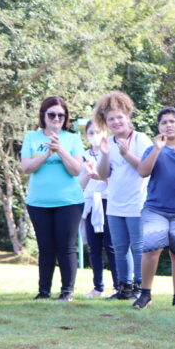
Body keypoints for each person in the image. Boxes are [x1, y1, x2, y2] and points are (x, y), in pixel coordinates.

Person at [133, 107, 175, 309]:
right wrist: (157, 148)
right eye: (164, 122)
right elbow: (143, 172)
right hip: (156, 209)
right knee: (151, 248)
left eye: (172, 121)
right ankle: (145, 294)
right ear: (159, 127)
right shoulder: (153, 148)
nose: (168, 125)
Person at [21, 96, 85, 301]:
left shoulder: (72, 139)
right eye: (52, 114)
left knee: (66, 247)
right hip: (39, 202)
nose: (56, 118)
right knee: (45, 247)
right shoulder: (32, 137)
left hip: (69, 202)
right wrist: (47, 154)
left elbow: (76, 170)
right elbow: (26, 167)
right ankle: (44, 291)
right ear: (44, 116)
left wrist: (61, 150)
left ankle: (67, 291)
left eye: (61, 115)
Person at [93, 91, 153, 300]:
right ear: (106, 122)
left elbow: (147, 168)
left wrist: (126, 153)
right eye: (111, 119)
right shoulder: (107, 143)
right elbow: (103, 175)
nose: (116, 122)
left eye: (120, 117)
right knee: (119, 248)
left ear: (128, 116)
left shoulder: (141, 139)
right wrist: (106, 155)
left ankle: (139, 287)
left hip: (138, 202)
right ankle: (123, 287)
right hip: (115, 202)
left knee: (138, 247)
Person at [79, 120, 118, 297]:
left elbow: (117, 180)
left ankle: (119, 285)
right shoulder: (83, 156)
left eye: (98, 132)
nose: (95, 136)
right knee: (94, 247)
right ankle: (98, 286)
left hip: (109, 202)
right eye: (91, 132)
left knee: (111, 245)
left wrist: (100, 177)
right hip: (90, 204)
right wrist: (89, 174)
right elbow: (79, 185)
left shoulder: (111, 153)